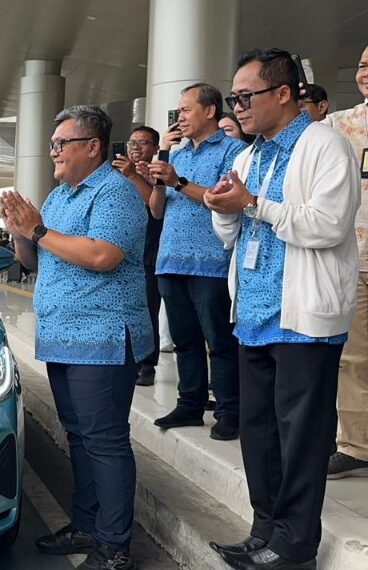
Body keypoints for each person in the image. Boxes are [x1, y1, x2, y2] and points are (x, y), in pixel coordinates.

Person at [206, 48, 360, 570]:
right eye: (234, 97)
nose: (238, 107)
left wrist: (252, 204)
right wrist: (223, 208)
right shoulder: (250, 155)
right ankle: (264, 529)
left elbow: (328, 224)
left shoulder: (325, 145)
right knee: (260, 432)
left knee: (301, 438)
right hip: (253, 314)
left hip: (302, 319)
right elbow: (231, 234)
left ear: (284, 94)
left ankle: (294, 547)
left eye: (246, 96)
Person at [2, 105, 151, 570]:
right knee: (80, 439)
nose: (53, 153)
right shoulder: (60, 195)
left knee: (104, 440)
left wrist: (38, 229)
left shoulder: (116, 194)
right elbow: (34, 260)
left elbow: (103, 255)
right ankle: (86, 524)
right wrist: (19, 235)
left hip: (104, 338)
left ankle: (114, 546)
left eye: (60, 144)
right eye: (52, 145)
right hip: (63, 336)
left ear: (93, 146)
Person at [141, 83, 247, 441]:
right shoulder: (178, 154)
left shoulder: (234, 150)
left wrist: (179, 181)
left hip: (211, 261)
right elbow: (157, 211)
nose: (180, 117)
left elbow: (224, 199)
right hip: (171, 260)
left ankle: (230, 409)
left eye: (186, 110)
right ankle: (189, 403)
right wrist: (161, 178)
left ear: (211, 111)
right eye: (179, 112)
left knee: (219, 340)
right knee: (185, 340)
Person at [323, 44, 368, 480]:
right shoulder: (339, 125)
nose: (365, 72)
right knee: (353, 357)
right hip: (355, 257)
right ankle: (355, 444)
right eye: (361, 64)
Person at [113, 126, 163, 386]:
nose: (136, 147)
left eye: (143, 143)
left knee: (148, 307)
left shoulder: (159, 172)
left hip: (152, 250)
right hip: (122, 250)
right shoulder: (117, 173)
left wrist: (134, 175)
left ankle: (147, 364)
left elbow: (155, 208)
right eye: (132, 142)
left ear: (155, 148)